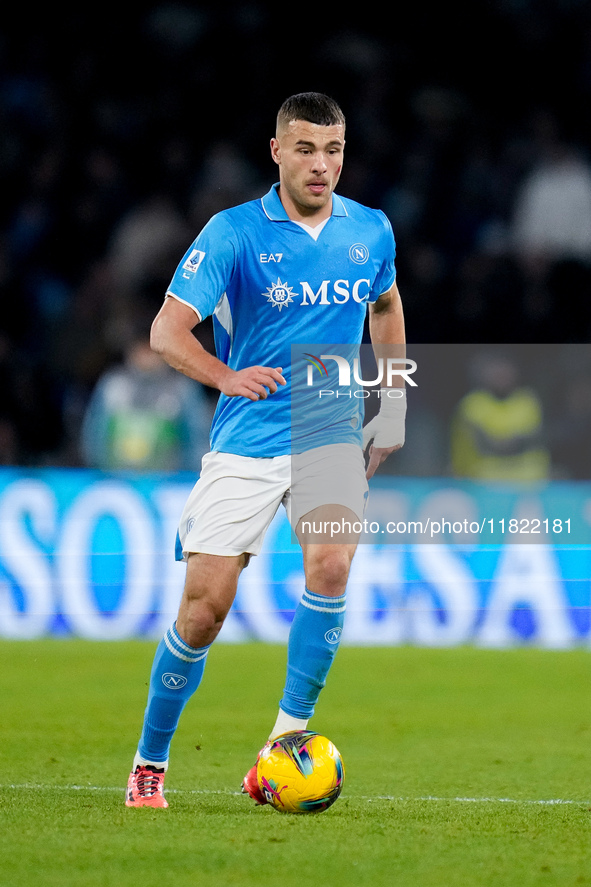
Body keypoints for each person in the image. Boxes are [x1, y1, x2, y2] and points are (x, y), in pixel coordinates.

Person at [124, 92, 407, 808]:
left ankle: (284, 742)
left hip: (327, 421)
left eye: (334, 150)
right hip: (247, 435)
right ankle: (149, 760)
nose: (322, 165)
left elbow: (385, 305)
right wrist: (225, 376)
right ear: (276, 150)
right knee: (204, 610)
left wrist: (394, 400)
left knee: (332, 562)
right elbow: (166, 332)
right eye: (306, 149)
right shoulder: (232, 233)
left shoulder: (370, 231)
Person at [81, 330, 211, 472]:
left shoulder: (182, 388)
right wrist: (100, 473)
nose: (146, 356)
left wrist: (187, 477)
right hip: (116, 482)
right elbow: (95, 434)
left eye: (152, 350)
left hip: (170, 484)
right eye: (141, 349)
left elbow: (197, 437)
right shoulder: (113, 385)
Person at [450, 350, 550, 482]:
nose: (501, 376)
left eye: (506, 370)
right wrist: (510, 443)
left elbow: (534, 438)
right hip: (481, 484)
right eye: (496, 371)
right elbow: (484, 444)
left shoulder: (527, 401)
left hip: (527, 485)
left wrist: (504, 443)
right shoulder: (472, 404)